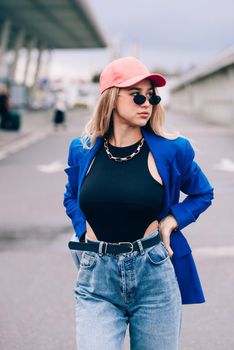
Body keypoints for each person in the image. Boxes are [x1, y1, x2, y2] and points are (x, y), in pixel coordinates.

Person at [64, 56, 214, 350]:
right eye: (137, 96)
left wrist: (172, 220)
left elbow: (203, 193)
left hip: (153, 276)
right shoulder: (81, 150)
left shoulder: (173, 150)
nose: (147, 103)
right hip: (97, 279)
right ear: (111, 99)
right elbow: (71, 195)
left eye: (152, 97)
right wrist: (82, 229)